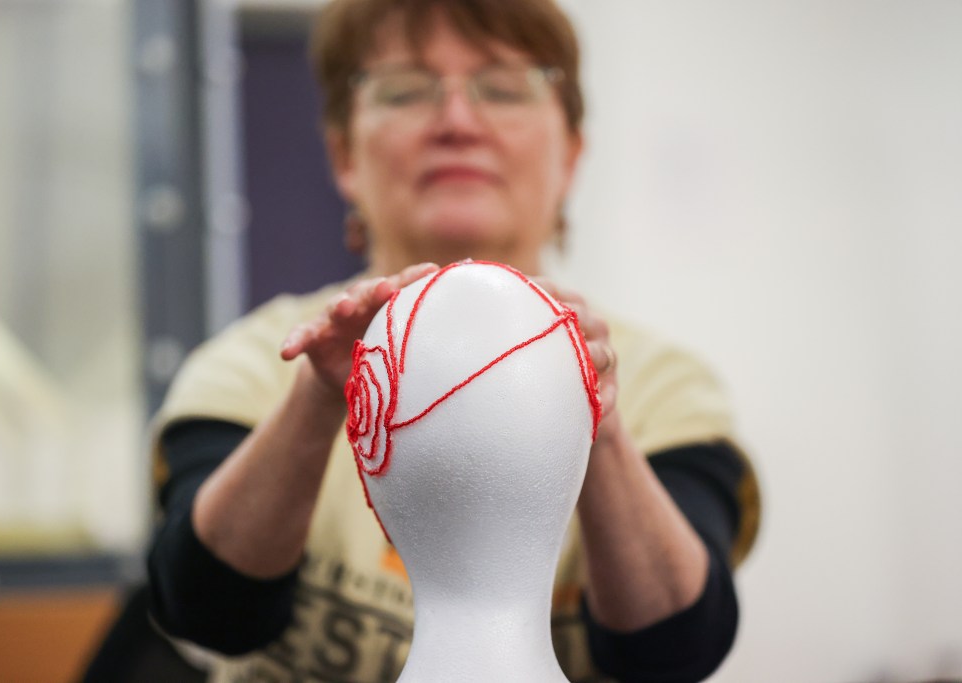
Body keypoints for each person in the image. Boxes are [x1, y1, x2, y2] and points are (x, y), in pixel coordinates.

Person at [146, 0, 761, 681]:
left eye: (503, 88)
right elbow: (205, 608)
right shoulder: (256, 365)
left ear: (571, 155)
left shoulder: (665, 388)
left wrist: (598, 419)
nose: (458, 122)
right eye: (405, 89)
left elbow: (678, 647)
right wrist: (320, 396)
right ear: (344, 153)